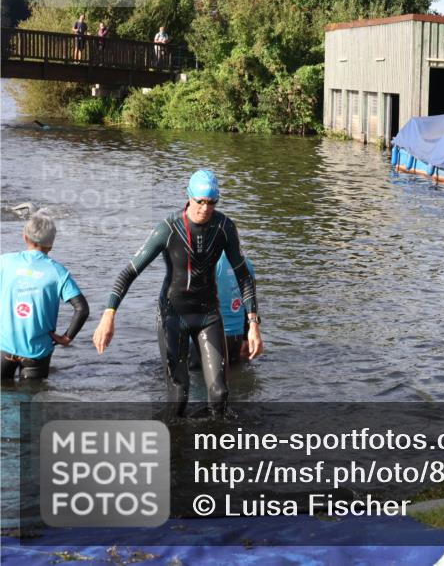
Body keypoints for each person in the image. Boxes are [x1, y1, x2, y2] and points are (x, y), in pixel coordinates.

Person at [92, 169, 263, 417]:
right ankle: (174, 448)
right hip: (174, 315)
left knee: (219, 393)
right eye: (200, 202)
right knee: (179, 393)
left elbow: (243, 276)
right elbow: (129, 272)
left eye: (212, 202)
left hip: (208, 315)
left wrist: (253, 324)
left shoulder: (224, 227)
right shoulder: (169, 229)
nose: (205, 208)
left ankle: (214, 451)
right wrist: (109, 314)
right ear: (189, 197)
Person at [1, 213, 90, 381]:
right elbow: (82, 309)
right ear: (51, 244)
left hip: (5, 346)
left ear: (24, 236)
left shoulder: (5, 263)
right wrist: (66, 338)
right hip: (37, 352)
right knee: (31, 403)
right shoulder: (58, 272)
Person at [188, 253, 257, 371]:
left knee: (199, 380)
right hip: (237, 338)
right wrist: (246, 337)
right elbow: (250, 304)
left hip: (211, 337)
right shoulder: (246, 263)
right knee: (234, 381)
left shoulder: (207, 261)